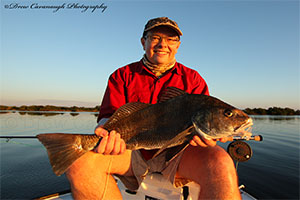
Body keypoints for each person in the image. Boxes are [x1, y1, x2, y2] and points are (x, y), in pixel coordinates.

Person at [66, 17, 241, 200]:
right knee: (79, 162)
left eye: (171, 39)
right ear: (144, 42)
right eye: (155, 37)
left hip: (180, 154)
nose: (163, 44)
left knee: (221, 162)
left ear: (178, 45)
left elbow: (208, 121)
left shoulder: (193, 79)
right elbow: (108, 116)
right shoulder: (122, 75)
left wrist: (209, 137)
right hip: (131, 152)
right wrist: (105, 132)